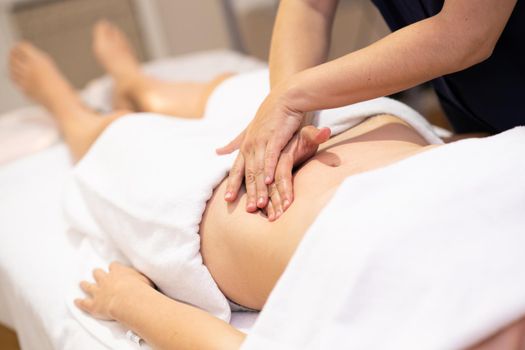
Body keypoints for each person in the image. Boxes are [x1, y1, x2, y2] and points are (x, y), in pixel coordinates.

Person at [8, 21, 524, 350]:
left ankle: (68, 107)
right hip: (392, 135)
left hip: (232, 212)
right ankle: (143, 84)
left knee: (119, 145)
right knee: (260, 96)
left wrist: (131, 303)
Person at [217, 0, 523, 219]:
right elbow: (308, 7)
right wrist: (286, 118)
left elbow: (464, 34)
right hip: (487, 134)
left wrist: (292, 96)